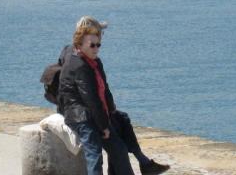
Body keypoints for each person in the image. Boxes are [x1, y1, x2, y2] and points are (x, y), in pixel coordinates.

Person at [57, 17, 169, 175]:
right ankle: (144, 164)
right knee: (95, 154)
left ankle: (144, 163)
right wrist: (104, 126)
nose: (97, 48)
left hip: (93, 112)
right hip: (80, 115)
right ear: (80, 44)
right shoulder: (80, 66)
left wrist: (111, 113)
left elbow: (104, 91)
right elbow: (92, 100)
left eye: (98, 44)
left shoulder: (93, 62)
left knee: (120, 142)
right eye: (93, 45)